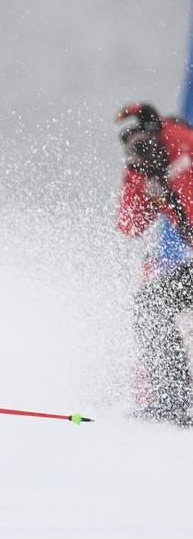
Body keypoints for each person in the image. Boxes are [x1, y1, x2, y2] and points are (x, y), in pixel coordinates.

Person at [115, 103, 193, 426]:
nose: (137, 147)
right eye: (128, 141)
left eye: (141, 138)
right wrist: (138, 176)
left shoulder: (181, 143)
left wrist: (165, 172)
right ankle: (176, 398)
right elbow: (130, 226)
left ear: (156, 130)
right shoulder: (146, 168)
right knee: (151, 304)